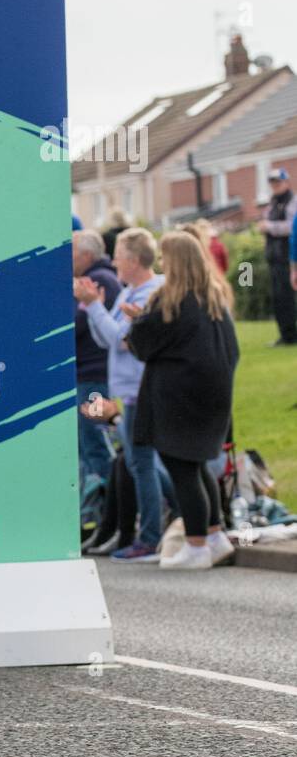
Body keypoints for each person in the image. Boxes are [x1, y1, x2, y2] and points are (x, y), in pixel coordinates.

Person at [125, 231, 239, 570]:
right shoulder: (214, 301)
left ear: (174, 261)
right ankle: (215, 535)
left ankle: (196, 545)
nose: (161, 263)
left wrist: (136, 321)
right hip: (212, 397)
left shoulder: (172, 301)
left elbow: (142, 343)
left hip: (178, 398)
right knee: (198, 464)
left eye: (164, 257)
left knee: (181, 467)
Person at [74, 228, 178, 562]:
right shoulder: (127, 292)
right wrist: (95, 309)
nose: (115, 260)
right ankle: (181, 515)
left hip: (141, 391)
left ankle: (152, 535)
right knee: (140, 461)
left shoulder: (152, 290)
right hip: (130, 391)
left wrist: (93, 307)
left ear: (133, 260)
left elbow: (121, 338)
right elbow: (105, 339)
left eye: (119, 254)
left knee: (141, 462)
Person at [72, 230, 121, 493]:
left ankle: (110, 506)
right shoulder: (96, 279)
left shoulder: (99, 281)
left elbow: (77, 325)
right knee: (89, 442)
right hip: (90, 374)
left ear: (87, 255)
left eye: (72, 252)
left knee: (95, 443)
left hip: (94, 376)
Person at [257, 168, 297, 345]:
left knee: (287, 297)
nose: (275, 186)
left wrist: (270, 227)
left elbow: (292, 227)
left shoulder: (292, 201)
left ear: (286, 182)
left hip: (287, 257)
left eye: (278, 182)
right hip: (274, 257)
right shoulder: (273, 202)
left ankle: (291, 336)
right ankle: (286, 335)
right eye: (272, 183)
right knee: (279, 298)